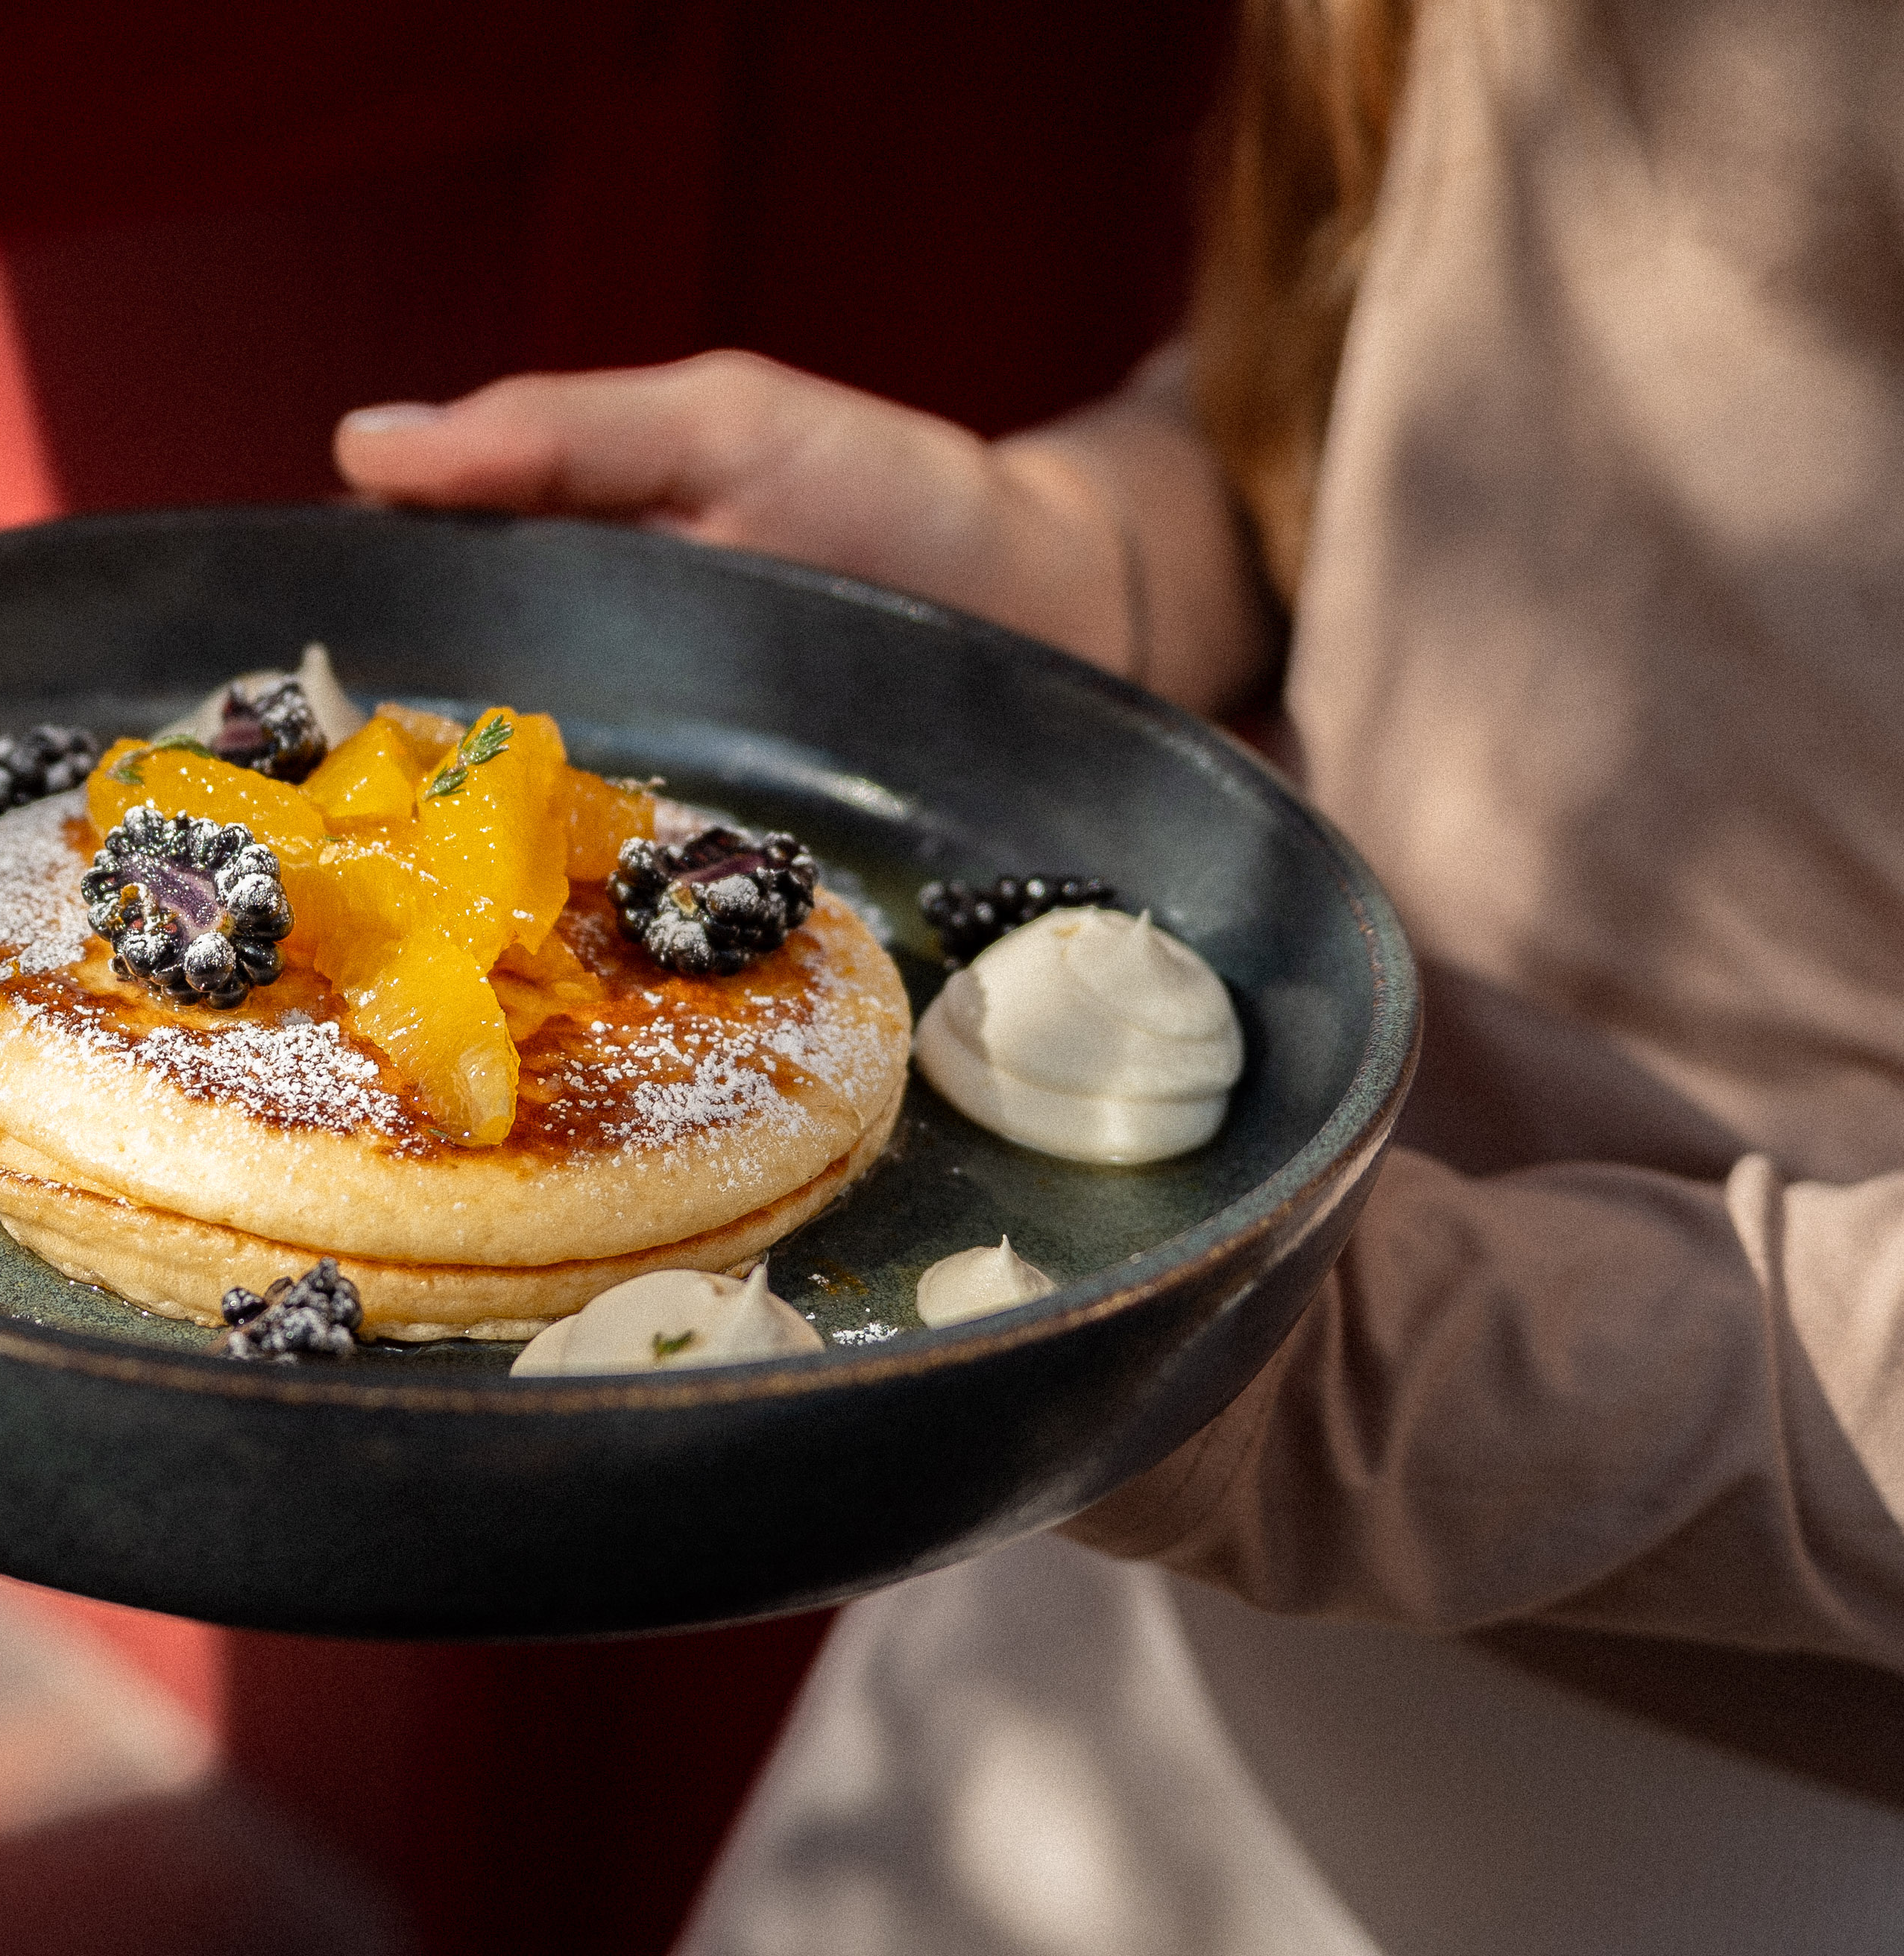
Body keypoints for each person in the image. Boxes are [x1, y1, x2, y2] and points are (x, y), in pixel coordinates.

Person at [338, 0, 1904, 1947]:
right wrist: (1088, 553)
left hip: (1746, 1779)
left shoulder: (1263, 1378)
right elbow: (1427, 344)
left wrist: (1318, 1379)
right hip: (1141, 1455)